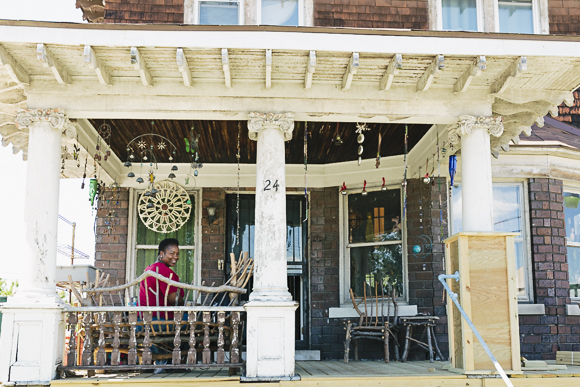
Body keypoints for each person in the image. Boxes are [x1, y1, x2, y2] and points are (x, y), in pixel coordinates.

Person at [139, 238, 185, 321]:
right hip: (159, 319)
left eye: (177, 254)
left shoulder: (150, 268)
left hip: (144, 318)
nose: (176, 257)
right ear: (161, 254)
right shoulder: (163, 270)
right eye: (172, 253)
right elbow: (175, 300)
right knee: (199, 319)